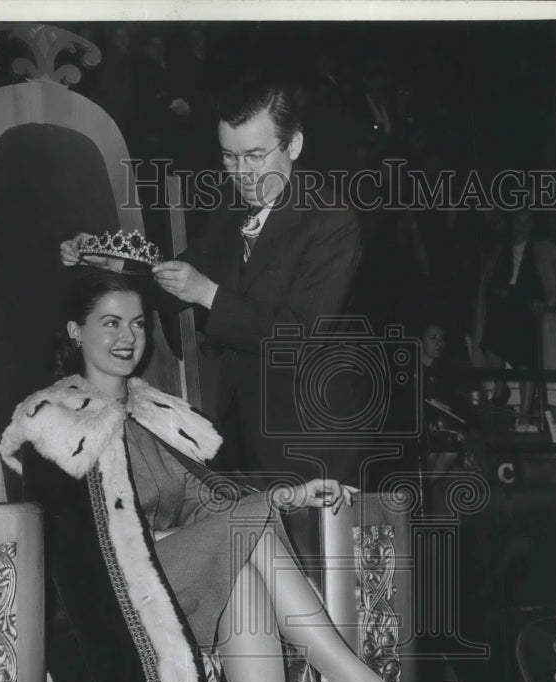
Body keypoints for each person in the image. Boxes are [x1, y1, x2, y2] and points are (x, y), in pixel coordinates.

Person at [0, 264, 464, 682]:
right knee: (249, 533)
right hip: (120, 600)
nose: (127, 337)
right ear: (76, 332)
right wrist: (236, 518)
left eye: (137, 324)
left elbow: (210, 501)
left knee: (248, 589)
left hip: (187, 581)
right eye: (110, 323)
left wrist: (289, 496)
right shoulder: (49, 421)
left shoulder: (158, 415)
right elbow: (74, 559)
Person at [61, 78, 366, 488]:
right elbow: (178, 281)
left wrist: (208, 294)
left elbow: (299, 336)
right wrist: (115, 264)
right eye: (229, 157)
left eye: (254, 156)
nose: (241, 173)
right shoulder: (234, 207)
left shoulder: (331, 220)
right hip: (245, 432)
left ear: (293, 145)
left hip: (313, 436)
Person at [473, 209, 556, 432]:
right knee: (489, 340)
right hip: (503, 310)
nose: (522, 226)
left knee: (527, 357)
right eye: (518, 221)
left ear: (533, 225)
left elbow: (553, 285)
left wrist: (544, 303)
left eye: (527, 222)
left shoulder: (544, 249)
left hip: (530, 312)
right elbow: (491, 287)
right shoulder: (498, 251)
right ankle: (500, 384)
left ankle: (523, 417)